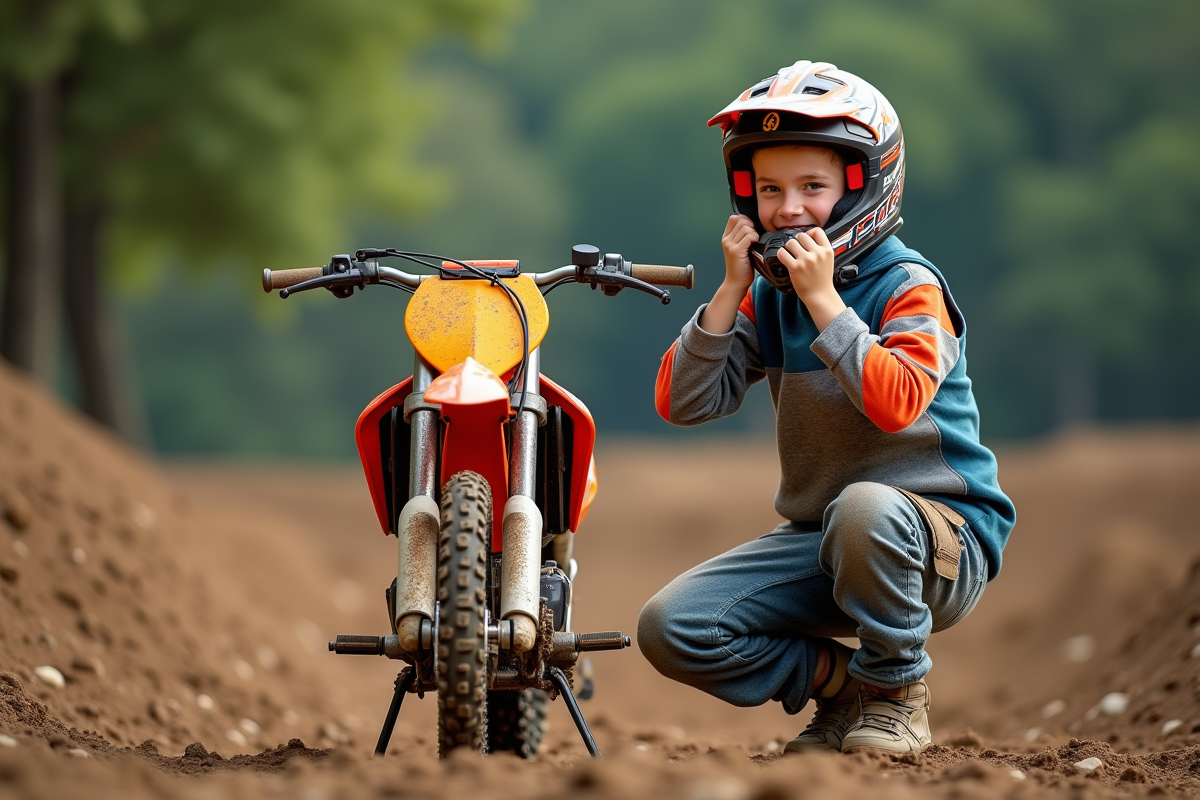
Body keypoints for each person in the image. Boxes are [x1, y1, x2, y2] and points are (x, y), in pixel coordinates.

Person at [638, 60, 1015, 755]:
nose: (787, 209)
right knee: (672, 625)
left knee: (865, 509)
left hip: (939, 543)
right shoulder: (770, 296)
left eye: (813, 187)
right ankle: (848, 691)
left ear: (863, 188)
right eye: (771, 190)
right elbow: (684, 402)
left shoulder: (909, 285)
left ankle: (898, 692)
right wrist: (729, 291)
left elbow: (897, 402)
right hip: (832, 541)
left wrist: (826, 303)